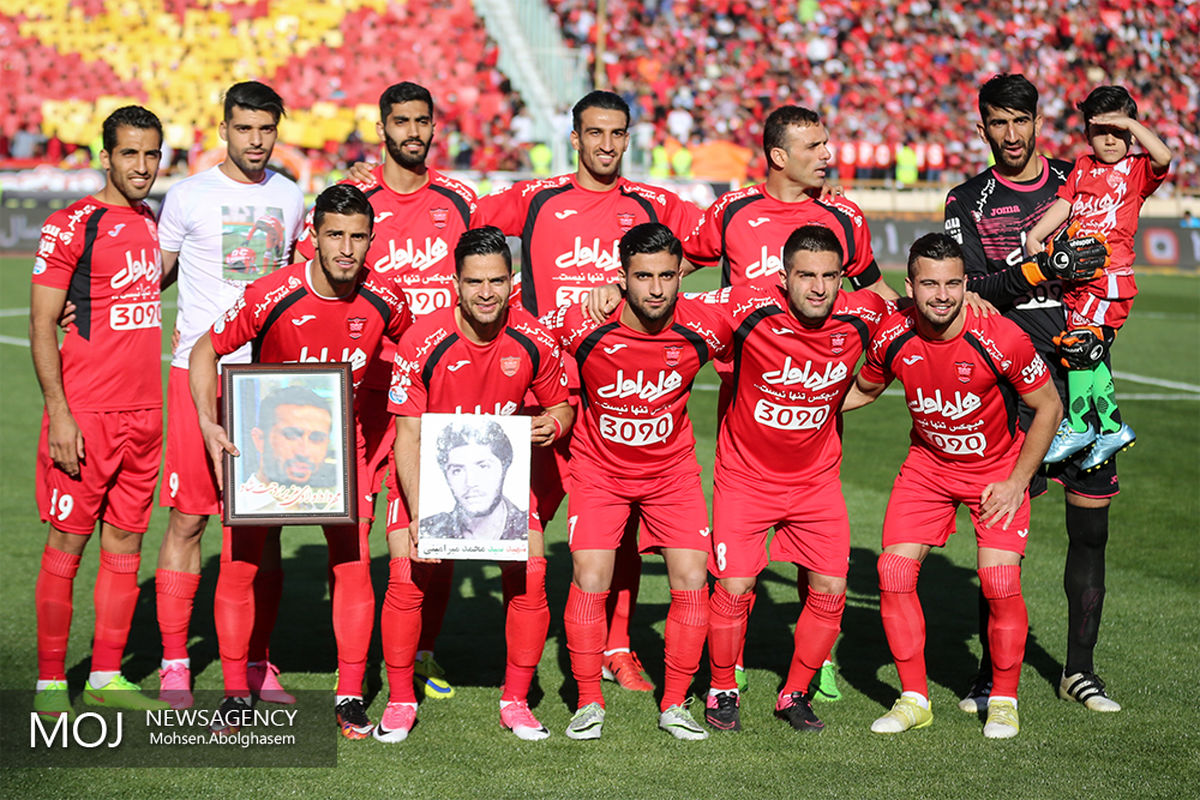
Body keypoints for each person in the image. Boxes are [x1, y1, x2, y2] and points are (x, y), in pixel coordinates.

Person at [474, 91, 701, 693]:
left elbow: (717, 237)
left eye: (617, 133)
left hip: (615, 396)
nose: (605, 144)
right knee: (515, 519)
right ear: (575, 137)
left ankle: (617, 646)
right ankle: (516, 643)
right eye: (594, 133)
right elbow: (456, 216)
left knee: (619, 532)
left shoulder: (653, 204)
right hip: (543, 389)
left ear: (628, 138)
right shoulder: (538, 197)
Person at [679, 103, 898, 696]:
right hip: (747, 395)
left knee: (816, 540)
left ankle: (817, 659)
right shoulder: (733, 211)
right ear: (778, 156)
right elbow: (675, 262)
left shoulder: (845, 215)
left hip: (815, 397)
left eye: (827, 144)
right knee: (738, 563)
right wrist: (613, 282)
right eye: (815, 147)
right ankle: (734, 662)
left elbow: (872, 288)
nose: (828, 155)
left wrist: (927, 315)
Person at [189, 184, 414, 738]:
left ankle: (350, 693)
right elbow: (204, 350)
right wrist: (208, 421)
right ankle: (237, 695)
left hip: (345, 451)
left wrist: (389, 433)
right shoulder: (271, 294)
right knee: (242, 563)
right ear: (312, 236)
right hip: (265, 449)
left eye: (357, 237)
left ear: (372, 240)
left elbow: (414, 355)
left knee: (353, 563)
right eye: (334, 235)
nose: (346, 249)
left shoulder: (389, 298)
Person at [944, 73, 1127, 713]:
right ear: (983, 126)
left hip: (1084, 376)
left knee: (1091, 530)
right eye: (999, 122)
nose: (1012, 134)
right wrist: (1036, 269)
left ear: (1038, 121)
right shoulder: (968, 200)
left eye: (1022, 121)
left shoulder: (1080, 182)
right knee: (998, 537)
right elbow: (965, 294)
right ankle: (990, 675)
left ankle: (1080, 670)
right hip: (1009, 385)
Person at [844, 234, 1062, 739]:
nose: (940, 296)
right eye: (929, 284)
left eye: (951, 284)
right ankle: (914, 698)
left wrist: (1017, 482)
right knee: (893, 571)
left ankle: (1004, 699)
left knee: (1000, 583)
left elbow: (1048, 406)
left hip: (995, 470)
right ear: (911, 285)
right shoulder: (892, 334)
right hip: (928, 467)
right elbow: (866, 388)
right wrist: (811, 408)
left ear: (965, 285)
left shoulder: (999, 335)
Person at [301, 81, 477, 701]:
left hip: (440, 396)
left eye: (422, 121)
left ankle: (420, 655)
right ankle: (356, 669)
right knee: (355, 538)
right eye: (400, 120)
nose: (412, 131)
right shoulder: (353, 201)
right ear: (382, 128)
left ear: (434, 128)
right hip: (362, 396)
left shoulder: (460, 201)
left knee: (438, 534)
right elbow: (310, 279)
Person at [541, 223, 731, 742]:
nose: (655, 289)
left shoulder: (706, 327)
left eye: (667, 276)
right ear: (621, 278)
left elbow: (766, 320)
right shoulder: (585, 322)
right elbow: (525, 337)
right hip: (600, 472)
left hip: (671, 475)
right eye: (642, 276)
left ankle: (674, 704)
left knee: (694, 578)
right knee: (591, 574)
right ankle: (587, 702)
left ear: (680, 277)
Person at [381, 225, 572, 742]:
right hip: (429, 475)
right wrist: (422, 515)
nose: (486, 293)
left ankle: (516, 702)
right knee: (404, 573)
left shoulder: (534, 339)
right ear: (455, 284)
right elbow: (408, 435)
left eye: (496, 281)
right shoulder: (423, 339)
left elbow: (562, 406)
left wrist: (552, 425)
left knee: (532, 576)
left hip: (501, 478)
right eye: (474, 282)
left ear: (512, 281)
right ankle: (400, 701)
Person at [703, 225, 891, 734]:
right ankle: (722, 688)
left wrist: (976, 302)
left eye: (830, 276)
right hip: (744, 477)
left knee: (831, 587)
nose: (818, 287)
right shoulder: (747, 304)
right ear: (782, 277)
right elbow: (674, 306)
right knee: (736, 586)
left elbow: (922, 312)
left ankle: (795, 693)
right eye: (805, 275)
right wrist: (609, 290)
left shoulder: (865, 313)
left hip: (816, 482)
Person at [154, 81, 305, 710]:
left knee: (260, 532)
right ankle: (173, 661)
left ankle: (257, 662)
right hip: (200, 372)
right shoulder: (187, 196)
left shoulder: (292, 196)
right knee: (188, 519)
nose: (255, 141)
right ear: (224, 129)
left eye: (266, 129)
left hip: (265, 382)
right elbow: (152, 279)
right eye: (244, 129)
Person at [29, 106, 170, 718]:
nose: (141, 167)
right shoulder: (71, 225)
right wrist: (59, 413)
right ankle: (50, 679)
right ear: (105, 156)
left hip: (145, 413)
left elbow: (142, 284)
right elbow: (40, 326)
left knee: (126, 542)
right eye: (130, 154)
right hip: (85, 413)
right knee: (68, 542)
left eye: (151, 154)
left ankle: (108, 671)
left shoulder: (149, 220)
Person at [1027, 85, 1172, 469]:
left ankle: (1078, 424)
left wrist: (1129, 123)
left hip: (1109, 278)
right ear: (1087, 134)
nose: (1110, 139)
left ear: (1130, 130)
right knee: (1091, 357)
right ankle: (1111, 427)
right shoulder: (1083, 166)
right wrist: (1036, 235)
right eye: (1101, 131)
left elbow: (1164, 155)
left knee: (1076, 350)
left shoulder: (1137, 170)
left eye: (1118, 132)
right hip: (1079, 280)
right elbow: (1065, 204)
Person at [235, 386, 339, 513]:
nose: (304, 452)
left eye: (316, 438)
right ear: (260, 439)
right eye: (291, 435)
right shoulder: (241, 505)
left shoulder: (332, 505)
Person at [421, 420, 526, 541]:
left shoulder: (525, 528)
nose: (470, 482)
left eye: (483, 466)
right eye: (457, 471)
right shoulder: (430, 532)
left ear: (504, 466)